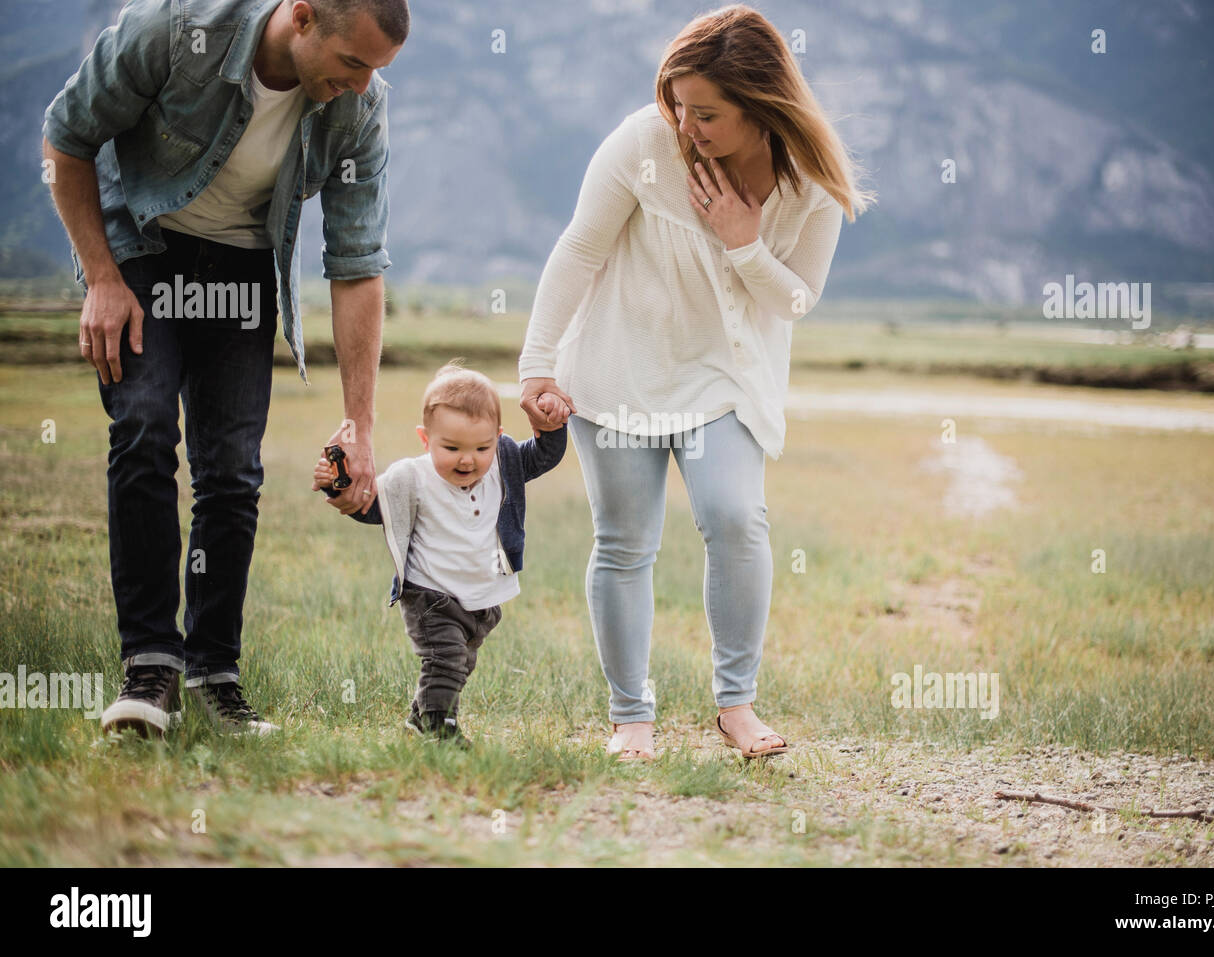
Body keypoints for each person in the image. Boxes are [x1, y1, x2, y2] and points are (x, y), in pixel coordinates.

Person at [41, 0, 410, 736]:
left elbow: (357, 261)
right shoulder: (174, 27)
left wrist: (359, 423)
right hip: (141, 249)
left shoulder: (360, 110)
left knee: (232, 468)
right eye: (354, 64)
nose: (366, 86)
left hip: (243, 268)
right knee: (144, 426)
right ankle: (149, 668)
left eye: (377, 70)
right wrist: (102, 279)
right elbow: (66, 136)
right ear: (302, 18)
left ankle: (215, 675)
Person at [517, 4, 874, 760]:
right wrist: (537, 363)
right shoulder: (643, 141)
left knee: (737, 516)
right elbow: (579, 248)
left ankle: (737, 706)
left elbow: (797, 300)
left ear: (760, 106)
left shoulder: (810, 179)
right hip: (618, 367)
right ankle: (630, 719)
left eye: (706, 112)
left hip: (726, 375)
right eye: (678, 105)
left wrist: (744, 244)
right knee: (624, 541)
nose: (686, 125)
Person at [312, 363, 568, 742]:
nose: (467, 460)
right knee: (444, 659)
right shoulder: (411, 478)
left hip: (480, 597)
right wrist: (338, 486)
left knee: (459, 662)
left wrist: (551, 428)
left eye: (481, 448)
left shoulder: (504, 461)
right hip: (429, 594)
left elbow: (543, 457)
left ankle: (420, 717)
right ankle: (438, 727)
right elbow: (372, 509)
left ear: (497, 438)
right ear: (425, 438)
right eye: (451, 448)